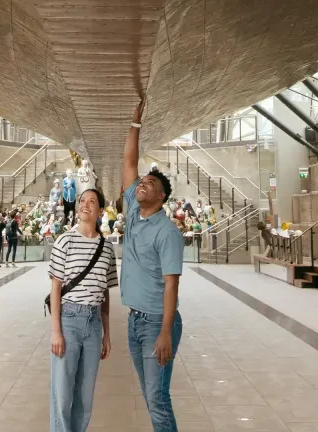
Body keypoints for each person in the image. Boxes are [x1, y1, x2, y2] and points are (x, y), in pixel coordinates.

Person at [121, 99, 185, 432]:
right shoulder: (133, 211)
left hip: (157, 324)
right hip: (135, 321)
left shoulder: (167, 232)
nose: (141, 184)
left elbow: (172, 285)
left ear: (160, 197)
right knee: (151, 397)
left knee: (157, 398)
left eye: (149, 184)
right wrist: (135, 124)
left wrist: (164, 333)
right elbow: (129, 163)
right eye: (141, 182)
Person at [49, 187, 117, 432]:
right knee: (63, 393)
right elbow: (56, 287)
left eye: (92, 201)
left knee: (85, 397)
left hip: (94, 323)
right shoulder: (65, 240)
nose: (85, 205)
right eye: (82, 201)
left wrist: (106, 334)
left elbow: (105, 292)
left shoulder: (107, 248)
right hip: (69, 320)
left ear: (100, 210)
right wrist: (56, 331)